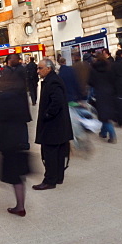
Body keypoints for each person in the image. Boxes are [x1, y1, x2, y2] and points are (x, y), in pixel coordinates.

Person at [0, 64, 31, 216]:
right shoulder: (21, 97)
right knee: (19, 175)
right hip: (21, 138)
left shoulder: (2, 99)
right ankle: (20, 205)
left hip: (9, 141)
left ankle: (20, 207)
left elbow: (0, 126)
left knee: (14, 175)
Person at [33, 58, 73, 190]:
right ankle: (58, 177)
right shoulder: (51, 80)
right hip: (58, 125)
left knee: (50, 153)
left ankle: (50, 180)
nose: (38, 71)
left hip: (53, 125)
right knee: (59, 152)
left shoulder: (53, 81)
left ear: (48, 68)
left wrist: (48, 114)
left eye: (40, 68)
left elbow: (57, 101)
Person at [88, 53, 117, 143]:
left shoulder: (93, 69)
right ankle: (103, 132)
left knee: (104, 116)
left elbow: (90, 82)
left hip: (100, 92)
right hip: (110, 92)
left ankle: (112, 136)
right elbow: (113, 79)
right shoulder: (109, 67)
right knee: (105, 114)